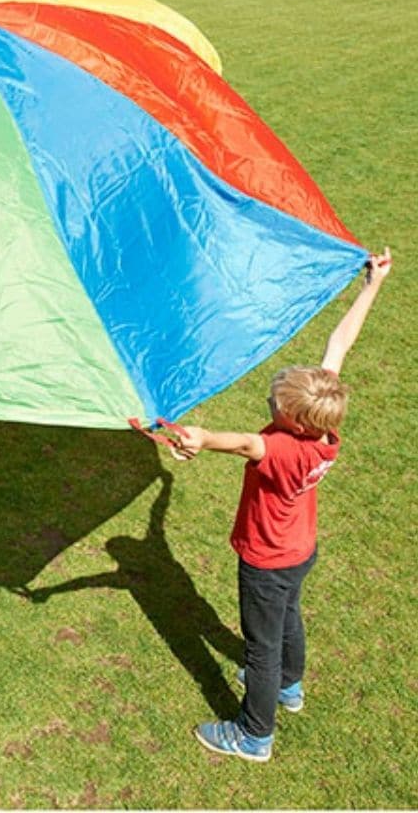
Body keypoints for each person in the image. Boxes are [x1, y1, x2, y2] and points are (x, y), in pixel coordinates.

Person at [174, 247, 392, 763]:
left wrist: (199, 436)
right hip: (299, 551)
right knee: (289, 617)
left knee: (261, 646)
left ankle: (254, 735)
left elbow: (238, 442)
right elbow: (340, 343)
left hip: (267, 560)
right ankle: (289, 687)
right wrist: (372, 285)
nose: (268, 405)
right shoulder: (323, 425)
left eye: (274, 405)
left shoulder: (278, 447)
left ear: (293, 420)